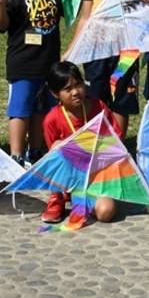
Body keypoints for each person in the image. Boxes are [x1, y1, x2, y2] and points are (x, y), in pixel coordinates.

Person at [68, 0, 149, 136]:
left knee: (122, 98)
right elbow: (85, 18)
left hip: (126, 51)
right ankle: (95, 141)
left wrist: (147, 0)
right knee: (95, 96)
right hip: (97, 50)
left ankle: (118, 145)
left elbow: (143, 16)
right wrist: (71, 50)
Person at [0, 0, 62, 166]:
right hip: (22, 62)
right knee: (20, 110)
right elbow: (2, 25)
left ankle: (35, 152)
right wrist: (1, 4)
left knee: (40, 110)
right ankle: (16, 155)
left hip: (49, 63)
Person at [39, 62, 122, 225]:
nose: (76, 92)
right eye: (68, 89)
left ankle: (85, 199)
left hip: (98, 174)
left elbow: (116, 140)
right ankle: (58, 197)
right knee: (56, 146)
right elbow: (53, 160)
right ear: (55, 94)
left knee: (106, 212)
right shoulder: (52, 119)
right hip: (70, 177)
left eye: (78, 85)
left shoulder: (99, 107)